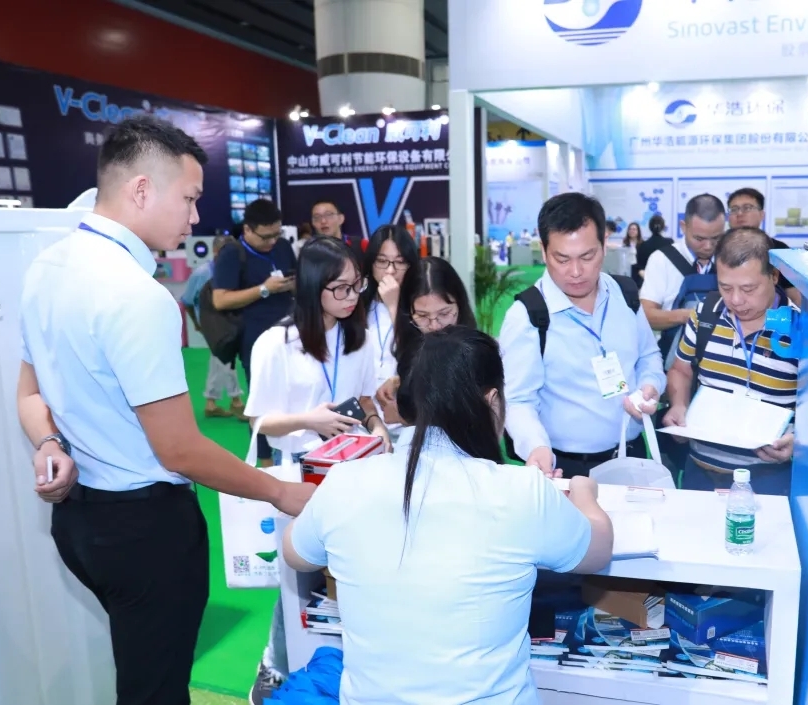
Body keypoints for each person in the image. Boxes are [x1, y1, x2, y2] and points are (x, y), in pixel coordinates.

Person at [16, 114, 313, 705]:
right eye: (190, 198)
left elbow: (28, 394)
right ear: (141, 190)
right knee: (156, 691)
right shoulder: (137, 295)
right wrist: (279, 492)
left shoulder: (46, 266)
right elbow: (178, 448)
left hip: (77, 523)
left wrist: (49, 444)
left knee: (142, 673)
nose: (195, 218)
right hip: (145, 531)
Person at [282, 326, 614, 704]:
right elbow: (597, 549)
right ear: (492, 400)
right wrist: (584, 492)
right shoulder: (521, 490)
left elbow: (296, 553)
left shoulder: (345, 481)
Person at [244, 236, 391, 700]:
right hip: (298, 475)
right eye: (341, 288)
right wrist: (311, 419)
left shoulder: (358, 336)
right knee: (298, 577)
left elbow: (364, 398)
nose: (352, 297)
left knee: (351, 569)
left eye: (357, 286)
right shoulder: (276, 344)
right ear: (313, 286)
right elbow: (259, 420)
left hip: (353, 470)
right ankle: (274, 665)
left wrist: (376, 426)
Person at [500, 192, 666, 479]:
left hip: (631, 455)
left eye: (587, 256)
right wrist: (536, 447)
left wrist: (650, 385)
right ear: (544, 251)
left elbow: (648, 357)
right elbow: (517, 400)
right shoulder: (528, 315)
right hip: (566, 467)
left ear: (604, 245)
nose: (576, 272)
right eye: (562, 259)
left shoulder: (625, 295)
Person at [663, 227, 799, 496]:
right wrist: (679, 405)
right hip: (700, 474)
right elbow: (681, 369)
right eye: (725, 287)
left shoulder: (800, 329)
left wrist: (798, 442)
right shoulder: (706, 314)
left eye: (748, 288)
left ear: (774, 276)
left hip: (768, 480)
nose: (736, 300)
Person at [212, 198, 297, 466]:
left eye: (276, 234)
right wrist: (264, 289)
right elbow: (220, 300)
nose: (272, 241)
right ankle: (266, 463)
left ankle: (294, 456)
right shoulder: (231, 253)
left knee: (294, 396)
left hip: (292, 334)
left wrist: (293, 285)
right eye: (265, 236)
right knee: (262, 402)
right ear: (247, 229)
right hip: (255, 340)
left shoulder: (283, 247)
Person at [374, 256, 478, 424]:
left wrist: (405, 417)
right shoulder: (412, 339)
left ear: (460, 304)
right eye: (422, 316)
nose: (434, 326)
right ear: (408, 312)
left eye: (444, 313)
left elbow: (466, 418)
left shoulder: (476, 352)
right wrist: (400, 381)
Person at [639, 194, 726, 345]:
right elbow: (646, 315)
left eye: (716, 238)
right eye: (699, 239)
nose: (708, 246)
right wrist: (690, 316)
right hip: (672, 352)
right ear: (683, 227)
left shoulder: (730, 258)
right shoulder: (662, 260)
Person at [361, 224, 420, 432]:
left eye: (400, 262)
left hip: (408, 421)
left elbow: (417, 355)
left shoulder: (421, 305)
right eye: (382, 261)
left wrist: (394, 305)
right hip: (364, 420)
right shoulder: (356, 303)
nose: (390, 270)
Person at [181, 235, 245, 418]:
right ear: (215, 251)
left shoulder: (236, 269)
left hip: (231, 321)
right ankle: (236, 401)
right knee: (224, 356)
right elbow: (187, 301)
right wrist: (197, 323)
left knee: (219, 359)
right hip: (212, 323)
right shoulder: (202, 273)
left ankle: (211, 402)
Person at [635, 213, 669, 280]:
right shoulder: (669, 243)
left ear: (649, 227)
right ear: (663, 227)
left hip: (648, 281)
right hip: (666, 280)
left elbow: (640, 269)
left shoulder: (642, 245)